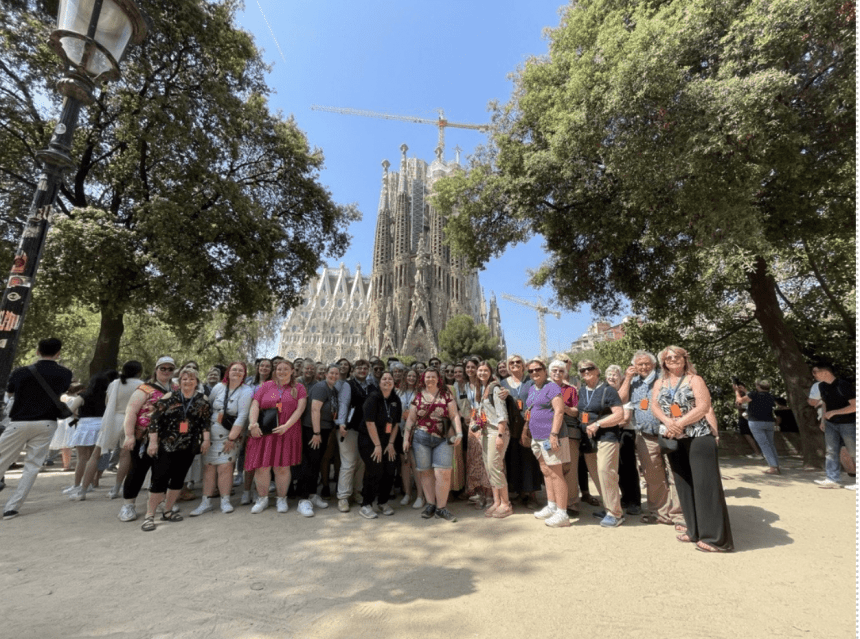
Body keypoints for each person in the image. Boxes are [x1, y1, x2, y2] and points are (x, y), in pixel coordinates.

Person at [652, 346, 733, 552]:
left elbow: (703, 406)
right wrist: (668, 422)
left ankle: (715, 539)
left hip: (698, 437)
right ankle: (694, 530)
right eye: (668, 358)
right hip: (674, 439)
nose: (672, 360)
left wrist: (680, 423)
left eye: (676, 356)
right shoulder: (659, 383)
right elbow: (654, 406)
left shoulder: (695, 380)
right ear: (663, 362)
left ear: (684, 358)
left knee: (705, 487)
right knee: (684, 485)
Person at [0, 338, 73, 519]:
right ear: (58, 353)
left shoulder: (21, 372)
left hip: (19, 421)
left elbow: (9, 393)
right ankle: (12, 507)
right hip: (47, 422)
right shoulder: (65, 373)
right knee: (32, 466)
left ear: (37, 351)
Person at [139, 367, 212, 531]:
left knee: (178, 479)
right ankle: (150, 515)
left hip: (188, 446)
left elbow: (204, 423)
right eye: (184, 379)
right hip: (166, 445)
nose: (188, 382)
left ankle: (168, 511)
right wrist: (153, 442)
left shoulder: (202, 400)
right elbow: (155, 422)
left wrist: (206, 440)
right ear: (179, 382)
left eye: (191, 379)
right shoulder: (169, 397)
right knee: (159, 479)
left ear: (197, 382)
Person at [618, 350, 684, 526]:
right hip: (646, 436)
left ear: (654, 364)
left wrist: (677, 422)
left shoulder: (664, 379)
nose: (644, 367)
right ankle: (660, 513)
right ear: (635, 366)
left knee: (676, 475)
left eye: (647, 363)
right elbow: (620, 399)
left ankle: (679, 515)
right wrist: (626, 378)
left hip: (669, 434)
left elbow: (675, 403)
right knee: (653, 477)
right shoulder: (634, 383)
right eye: (640, 364)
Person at [117, 357, 177, 523]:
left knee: (162, 472)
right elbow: (131, 412)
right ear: (156, 369)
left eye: (169, 369)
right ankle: (128, 504)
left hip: (167, 438)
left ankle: (157, 501)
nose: (166, 371)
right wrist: (129, 435)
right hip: (143, 437)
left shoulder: (176, 389)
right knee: (137, 470)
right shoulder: (144, 389)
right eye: (162, 368)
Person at [190, 362, 253, 516]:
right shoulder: (219, 387)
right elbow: (209, 407)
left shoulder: (246, 391)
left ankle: (225, 501)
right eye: (234, 369)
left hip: (230, 434)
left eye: (240, 370)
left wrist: (232, 438)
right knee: (209, 467)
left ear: (244, 374)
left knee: (226, 467)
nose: (237, 372)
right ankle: (206, 501)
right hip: (211, 433)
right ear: (228, 372)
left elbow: (243, 416)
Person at [76, 361, 144, 501]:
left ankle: (82, 490)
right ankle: (116, 488)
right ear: (139, 372)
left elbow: (108, 402)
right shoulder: (142, 385)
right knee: (125, 456)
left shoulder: (115, 383)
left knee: (96, 454)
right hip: (131, 420)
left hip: (112, 419)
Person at [403, 369, 463, 522]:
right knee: (425, 472)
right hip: (421, 438)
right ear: (423, 379)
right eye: (427, 377)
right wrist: (405, 438)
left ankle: (441, 507)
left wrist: (459, 433)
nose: (430, 379)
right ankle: (430, 504)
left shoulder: (446, 395)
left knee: (443, 473)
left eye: (433, 377)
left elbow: (454, 415)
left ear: (438, 379)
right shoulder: (418, 396)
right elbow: (410, 419)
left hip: (442, 438)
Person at [246, 360, 306, 513]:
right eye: (279, 369)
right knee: (262, 467)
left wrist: (286, 426)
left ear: (292, 371)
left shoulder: (298, 388)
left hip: (286, 431)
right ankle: (262, 499)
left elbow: (300, 410)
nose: (282, 371)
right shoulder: (266, 386)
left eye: (286, 369)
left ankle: (281, 499)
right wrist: (253, 424)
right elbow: (255, 404)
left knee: (282, 467)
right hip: (264, 431)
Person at [577, 359, 626, 527]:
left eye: (589, 368)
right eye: (582, 370)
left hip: (607, 436)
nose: (586, 372)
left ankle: (615, 513)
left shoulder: (609, 390)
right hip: (588, 438)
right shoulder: (582, 391)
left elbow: (619, 415)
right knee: (596, 474)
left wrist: (598, 424)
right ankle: (608, 508)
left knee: (606, 471)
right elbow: (582, 411)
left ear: (597, 371)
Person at [525, 359, 570, 528]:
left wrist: (553, 434)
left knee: (556, 473)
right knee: (546, 471)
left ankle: (562, 512)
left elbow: (559, 411)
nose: (534, 373)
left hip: (550, 436)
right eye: (531, 371)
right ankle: (552, 506)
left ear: (545, 371)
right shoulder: (532, 389)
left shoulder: (552, 387)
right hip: (537, 438)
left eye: (538, 369)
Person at [498, 354, 543, 509]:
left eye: (518, 362)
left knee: (529, 459)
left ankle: (531, 495)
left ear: (524, 366)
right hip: (511, 427)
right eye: (512, 363)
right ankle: (518, 493)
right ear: (508, 366)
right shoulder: (503, 383)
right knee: (513, 459)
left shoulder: (530, 382)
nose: (515, 364)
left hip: (528, 425)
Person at [358, 371, 402, 519]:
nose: (387, 381)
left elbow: (395, 424)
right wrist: (377, 445)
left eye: (390, 379)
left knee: (390, 470)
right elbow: (369, 423)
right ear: (379, 382)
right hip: (370, 440)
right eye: (384, 379)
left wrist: (390, 443)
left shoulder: (396, 399)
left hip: (388, 441)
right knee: (374, 470)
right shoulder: (373, 398)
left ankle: (382, 502)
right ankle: (366, 504)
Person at [296, 364, 338, 517]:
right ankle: (303, 500)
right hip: (313, 430)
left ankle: (312, 494)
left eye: (336, 373)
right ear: (325, 373)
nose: (334, 375)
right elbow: (314, 409)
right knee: (310, 463)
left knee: (316, 462)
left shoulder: (331, 389)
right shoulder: (321, 387)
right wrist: (316, 432)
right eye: (331, 372)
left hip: (324, 429)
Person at [66, 370, 116, 499]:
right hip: (101, 426)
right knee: (95, 457)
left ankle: (77, 485)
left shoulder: (83, 396)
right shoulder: (108, 397)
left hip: (84, 426)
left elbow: (69, 410)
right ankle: (89, 484)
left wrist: (76, 416)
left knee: (82, 458)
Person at [336, 359, 376, 513]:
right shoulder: (348, 385)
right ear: (353, 370)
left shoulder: (372, 387)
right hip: (350, 427)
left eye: (365, 368)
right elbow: (344, 404)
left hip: (365, 429)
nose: (362, 370)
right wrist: (341, 423)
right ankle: (343, 496)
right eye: (359, 368)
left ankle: (357, 492)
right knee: (349, 462)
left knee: (361, 462)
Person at [475, 361, 512, 518]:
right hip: (486, 432)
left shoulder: (495, 388)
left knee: (495, 467)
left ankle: (506, 504)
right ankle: (496, 501)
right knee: (490, 468)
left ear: (490, 372)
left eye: (485, 370)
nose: (482, 373)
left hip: (496, 431)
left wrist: (500, 435)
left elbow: (502, 414)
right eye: (480, 370)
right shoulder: (483, 389)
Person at [811, 363, 856, 489]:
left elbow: (855, 405)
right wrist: (823, 420)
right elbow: (825, 403)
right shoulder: (821, 386)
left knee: (854, 451)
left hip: (848, 423)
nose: (813, 375)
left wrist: (835, 412)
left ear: (825, 372)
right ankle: (832, 479)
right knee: (831, 451)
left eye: (815, 372)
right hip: (830, 424)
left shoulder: (844, 385)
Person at [606, 364, 641, 515]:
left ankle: (634, 502)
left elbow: (625, 418)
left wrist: (603, 424)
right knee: (616, 469)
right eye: (609, 375)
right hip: (610, 434)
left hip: (625, 433)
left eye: (615, 375)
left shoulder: (626, 392)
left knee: (628, 468)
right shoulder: (605, 392)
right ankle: (625, 499)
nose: (612, 377)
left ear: (621, 377)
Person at [237, 357, 273, 503]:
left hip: (265, 425)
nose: (264, 368)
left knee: (263, 461)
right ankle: (246, 491)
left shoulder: (274, 385)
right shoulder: (249, 384)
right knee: (249, 459)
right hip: (249, 424)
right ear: (258, 367)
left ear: (271, 370)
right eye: (262, 365)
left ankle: (260, 492)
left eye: (267, 366)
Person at [463, 357, 493, 508]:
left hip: (486, 423)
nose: (470, 370)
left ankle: (489, 495)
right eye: (467, 367)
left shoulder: (488, 384)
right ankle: (479, 493)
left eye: (473, 367)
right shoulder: (467, 386)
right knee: (474, 460)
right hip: (474, 424)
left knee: (486, 459)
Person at [735, 379, 780, 474]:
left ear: (758, 387)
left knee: (764, 445)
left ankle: (773, 467)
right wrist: (745, 390)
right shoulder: (771, 396)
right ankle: (776, 465)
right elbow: (755, 397)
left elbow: (740, 401)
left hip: (756, 422)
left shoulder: (753, 395)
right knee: (771, 444)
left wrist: (736, 391)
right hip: (769, 422)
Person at [396, 368, 424, 508]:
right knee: (405, 463)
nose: (411, 378)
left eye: (414, 376)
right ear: (405, 377)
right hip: (401, 430)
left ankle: (420, 495)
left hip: (416, 430)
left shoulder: (420, 393)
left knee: (416, 463)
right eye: (409, 376)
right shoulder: (399, 392)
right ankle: (407, 493)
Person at [734, 382, 762, 459]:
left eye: (740, 388)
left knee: (748, 435)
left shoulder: (747, 396)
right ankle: (759, 452)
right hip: (749, 418)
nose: (739, 390)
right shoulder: (748, 395)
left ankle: (758, 453)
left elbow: (739, 407)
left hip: (746, 418)